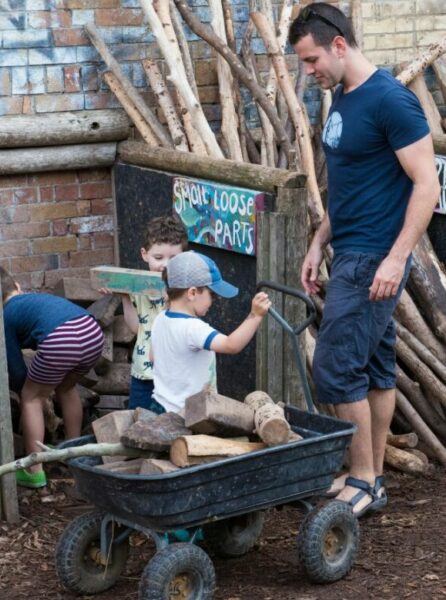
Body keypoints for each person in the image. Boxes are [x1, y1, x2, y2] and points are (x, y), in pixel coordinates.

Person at [289, 3, 440, 517]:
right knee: (375, 368)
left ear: (338, 44)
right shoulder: (344, 98)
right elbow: (350, 184)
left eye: (311, 60)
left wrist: (396, 260)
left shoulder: (390, 101)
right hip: (348, 248)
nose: (309, 73)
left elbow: (427, 185)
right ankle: (371, 478)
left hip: (375, 257)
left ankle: (360, 477)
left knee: (334, 368)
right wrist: (317, 240)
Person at [1, 267, 105, 488]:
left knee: (31, 398)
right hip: (92, 331)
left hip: (62, 339)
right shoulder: (33, 299)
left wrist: (26, 389)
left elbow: (16, 370)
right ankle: (73, 454)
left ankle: (34, 470)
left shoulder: (4, 315)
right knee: (66, 389)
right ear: (17, 287)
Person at [151, 250, 271, 414]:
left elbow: (152, 357)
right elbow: (231, 345)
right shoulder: (193, 328)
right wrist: (255, 316)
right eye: (212, 294)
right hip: (190, 414)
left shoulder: (160, 318)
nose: (213, 301)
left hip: (160, 405)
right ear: (192, 293)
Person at [119, 215, 188, 411]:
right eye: (158, 258)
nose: (165, 264)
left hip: (173, 373)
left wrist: (171, 301)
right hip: (143, 372)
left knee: (170, 423)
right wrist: (124, 296)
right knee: (137, 421)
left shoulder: (185, 288)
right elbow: (135, 328)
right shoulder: (137, 288)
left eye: (173, 258)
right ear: (144, 254)